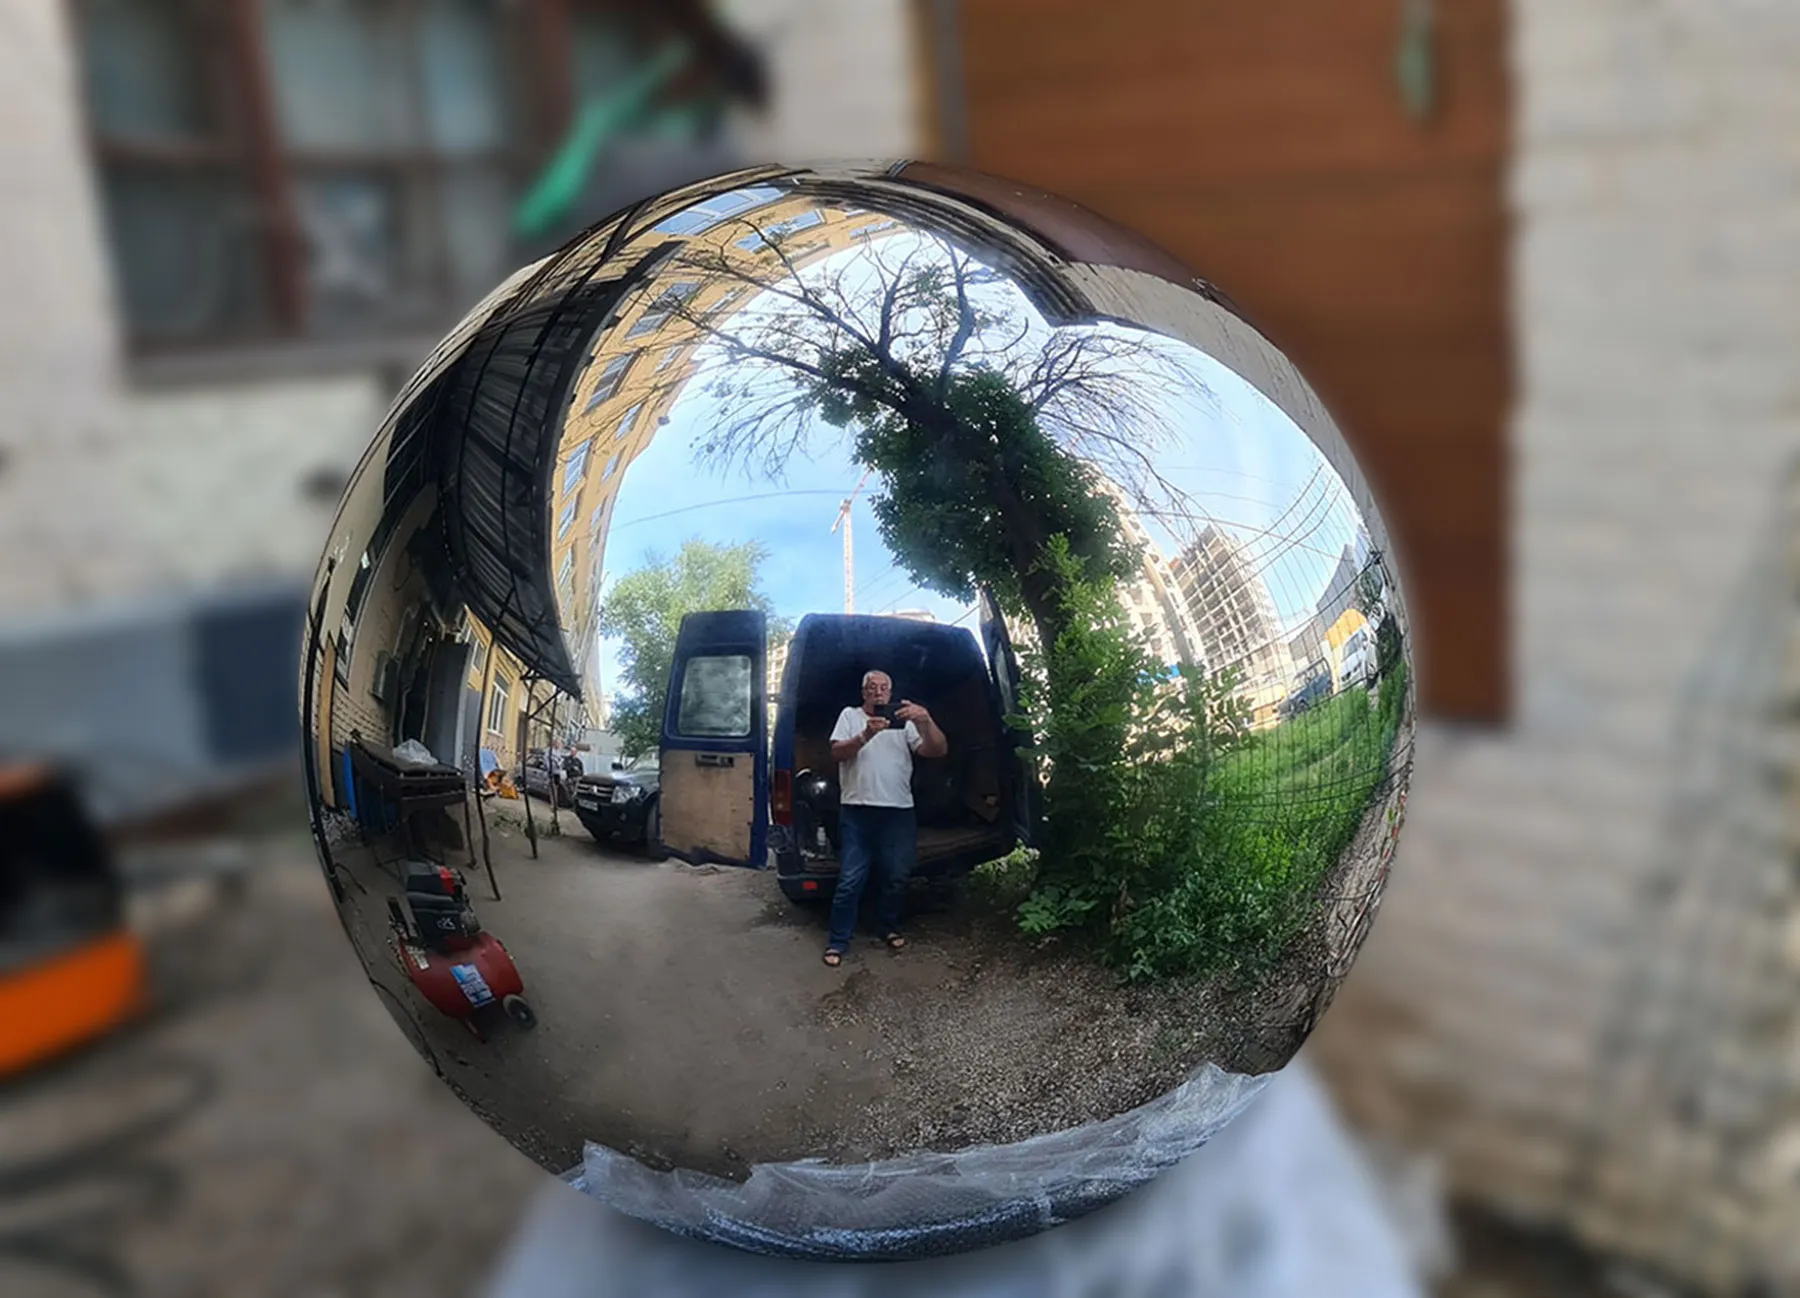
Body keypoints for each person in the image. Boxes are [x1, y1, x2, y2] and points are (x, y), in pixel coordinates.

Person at [821, 670, 947, 967]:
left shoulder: (905, 722)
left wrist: (926, 720)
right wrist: (866, 735)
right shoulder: (850, 715)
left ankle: (887, 926)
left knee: (896, 875)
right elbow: (837, 752)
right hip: (857, 810)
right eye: (871, 687)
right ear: (863, 692)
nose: (878, 692)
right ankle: (838, 941)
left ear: (891, 693)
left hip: (898, 811)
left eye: (883, 688)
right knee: (850, 880)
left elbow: (937, 750)